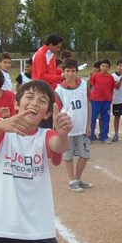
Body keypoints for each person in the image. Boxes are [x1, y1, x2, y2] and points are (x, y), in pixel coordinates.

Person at [0, 80, 71, 243]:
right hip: (4, 231)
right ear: (16, 103)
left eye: (42, 101)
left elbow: (57, 146)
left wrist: (64, 134)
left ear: (47, 113)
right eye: (29, 97)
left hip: (41, 232)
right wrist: (2, 125)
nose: (34, 103)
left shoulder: (45, 135)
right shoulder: (1, 131)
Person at [55, 58, 94, 192]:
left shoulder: (84, 85)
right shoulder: (59, 90)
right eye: (67, 71)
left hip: (82, 128)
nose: (70, 74)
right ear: (63, 72)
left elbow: (88, 104)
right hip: (68, 130)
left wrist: (89, 124)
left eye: (73, 71)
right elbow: (57, 110)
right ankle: (72, 180)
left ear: (77, 72)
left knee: (85, 155)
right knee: (68, 156)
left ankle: (78, 179)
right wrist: (59, 129)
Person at [89, 59, 115, 143]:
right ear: (100, 67)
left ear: (109, 68)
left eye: (106, 66)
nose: (104, 68)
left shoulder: (111, 77)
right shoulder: (95, 76)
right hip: (95, 100)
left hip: (106, 101)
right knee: (92, 118)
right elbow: (90, 87)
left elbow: (112, 89)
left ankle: (104, 136)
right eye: (103, 66)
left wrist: (110, 98)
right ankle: (90, 136)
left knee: (105, 119)